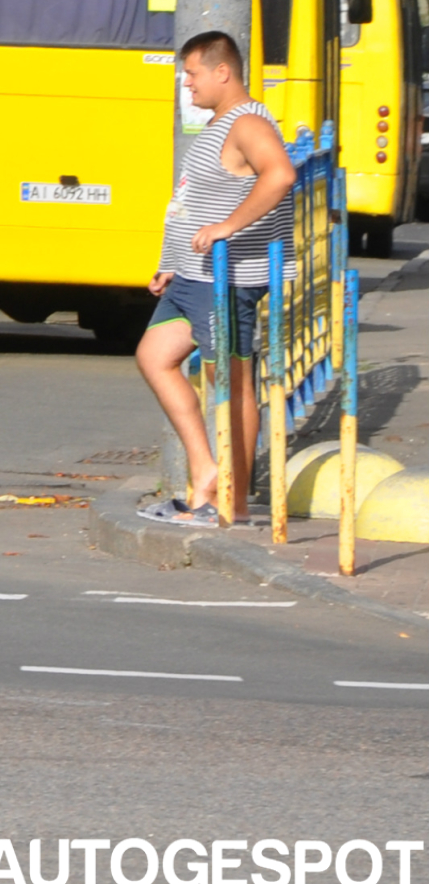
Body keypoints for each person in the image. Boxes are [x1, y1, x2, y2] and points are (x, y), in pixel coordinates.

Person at [135, 30, 296, 527]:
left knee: (229, 384)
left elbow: (281, 175)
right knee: (154, 357)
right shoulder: (217, 125)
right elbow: (191, 200)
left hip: (225, 279)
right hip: (191, 275)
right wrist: (171, 257)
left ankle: (232, 500)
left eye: (193, 73)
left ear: (222, 71)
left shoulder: (247, 122)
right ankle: (206, 471)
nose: (188, 84)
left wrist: (228, 227)